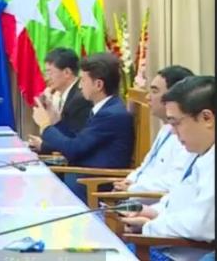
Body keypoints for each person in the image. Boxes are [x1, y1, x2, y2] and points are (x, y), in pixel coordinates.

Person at [120, 76, 215, 261]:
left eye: (176, 122)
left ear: (206, 118)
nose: (172, 131)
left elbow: (201, 224)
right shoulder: (200, 152)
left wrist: (149, 227)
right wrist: (153, 212)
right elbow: (177, 200)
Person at [30, 52, 134, 202]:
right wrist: (56, 121)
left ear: (98, 85)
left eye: (83, 80)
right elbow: (77, 140)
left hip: (94, 183)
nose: (80, 85)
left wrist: (45, 126)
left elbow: (74, 149)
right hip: (84, 175)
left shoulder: (111, 114)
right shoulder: (105, 108)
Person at [113, 66, 195, 194]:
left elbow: (174, 181)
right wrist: (129, 181)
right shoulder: (166, 129)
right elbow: (145, 166)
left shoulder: (188, 136)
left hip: (151, 202)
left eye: (155, 91)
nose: (147, 97)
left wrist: (133, 188)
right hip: (135, 197)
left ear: (174, 96)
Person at [29, 48, 93, 154]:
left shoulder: (80, 99)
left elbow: (74, 142)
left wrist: (44, 143)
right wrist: (54, 119)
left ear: (67, 72)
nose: (46, 78)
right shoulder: (65, 95)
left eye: (50, 72)